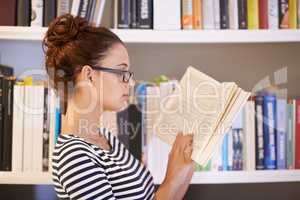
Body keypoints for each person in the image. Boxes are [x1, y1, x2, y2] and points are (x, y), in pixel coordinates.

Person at [43, 14, 195, 200]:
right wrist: (172, 178)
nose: (129, 83)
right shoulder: (74, 156)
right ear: (89, 76)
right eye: (121, 72)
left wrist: (185, 167)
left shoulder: (105, 138)